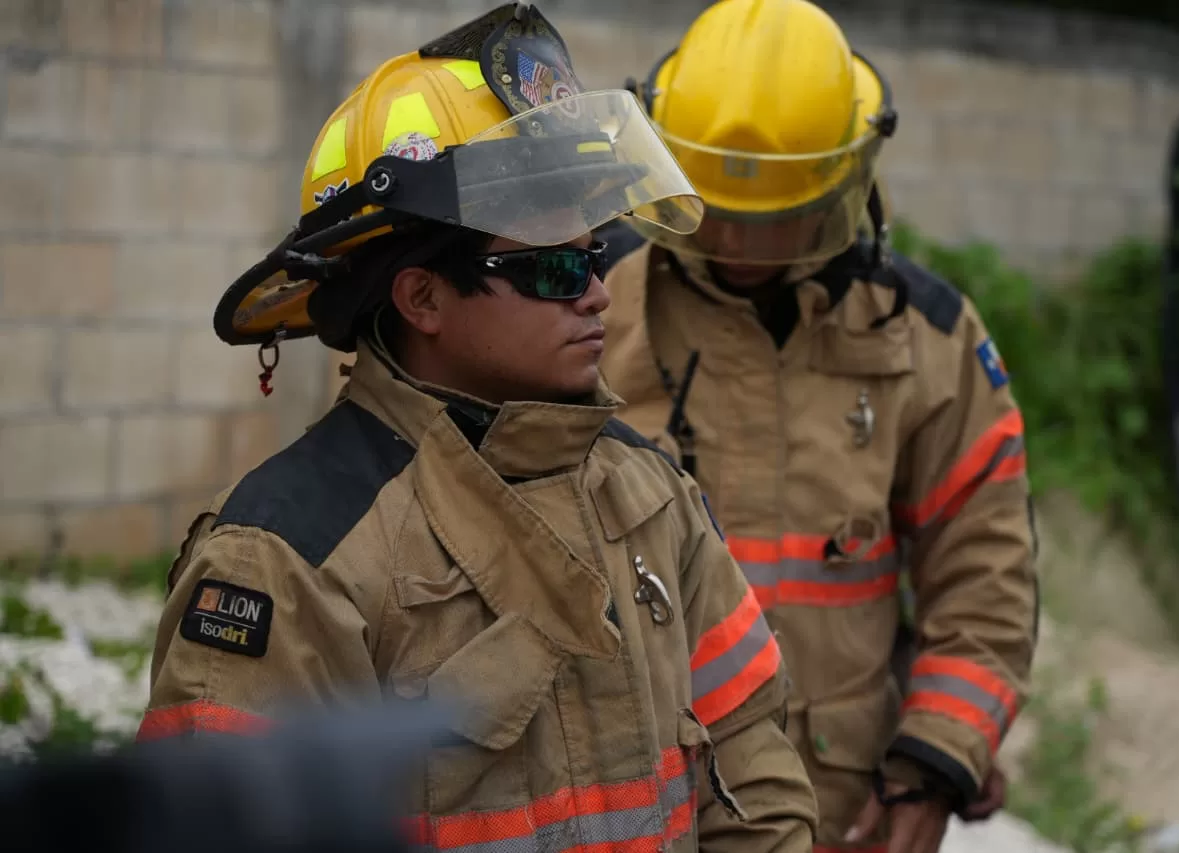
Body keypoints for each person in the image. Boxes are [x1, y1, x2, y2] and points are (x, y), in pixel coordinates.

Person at [136, 4, 820, 851]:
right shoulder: (287, 559)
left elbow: (754, 758)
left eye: (597, 252)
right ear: (421, 297)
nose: (597, 290)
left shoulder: (652, 495)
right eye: (556, 264)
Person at [594, 0, 1041, 851]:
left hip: (844, 815)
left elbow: (985, 575)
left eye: (769, 216)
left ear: (842, 180)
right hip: (632, 813)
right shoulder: (586, 314)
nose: (734, 239)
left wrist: (938, 758)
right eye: (711, 206)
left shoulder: (927, 339)